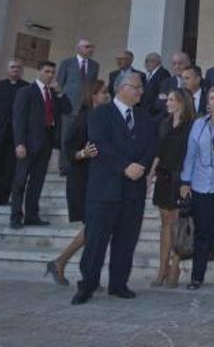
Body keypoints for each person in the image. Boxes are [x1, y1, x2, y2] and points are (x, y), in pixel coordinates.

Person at [72, 71, 157, 305]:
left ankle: (119, 284)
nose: (141, 91)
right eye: (136, 87)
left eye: (141, 87)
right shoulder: (100, 114)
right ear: (121, 88)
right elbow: (99, 144)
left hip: (133, 191)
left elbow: (151, 146)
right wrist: (125, 166)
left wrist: (141, 165)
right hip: (105, 190)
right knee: (96, 240)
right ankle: (87, 285)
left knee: (126, 240)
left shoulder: (145, 118)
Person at [46, 79, 110, 286]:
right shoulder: (83, 119)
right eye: (103, 92)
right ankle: (75, 269)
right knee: (93, 227)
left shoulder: (101, 118)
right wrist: (83, 153)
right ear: (93, 96)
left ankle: (62, 263)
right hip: (81, 181)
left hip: (95, 180)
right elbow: (68, 148)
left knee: (94, 228)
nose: (106, 95)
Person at [11, 60, 72, 229]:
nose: (50, 75)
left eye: (52, 73)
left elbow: (68, 109)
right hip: (28, 143)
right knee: (20, 180)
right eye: (47, 71)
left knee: (37, 181)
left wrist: (61, 94)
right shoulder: (26, 92)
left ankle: (32, 215)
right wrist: (19, 143)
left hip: (46, 142)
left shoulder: (53, 94)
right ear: (39, 71)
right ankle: (16, 216)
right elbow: (19, 119)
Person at [180, 86, 214, 289]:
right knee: (202, 232)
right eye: (212, 98)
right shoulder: (199, 124)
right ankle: (197, 276)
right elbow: (190, 155)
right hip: (201, 184)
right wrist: (185, 181)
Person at [147, 89, 194, 288]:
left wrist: (187, 182)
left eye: (172, 100)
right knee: (165, 224)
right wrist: (150, 175)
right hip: (164, 178)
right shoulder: (164, 123)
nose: (167, 103)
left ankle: (175, 263)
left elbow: (192, 154)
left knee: (177, 224)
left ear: (182, 102)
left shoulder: (191, 124)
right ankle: (162, 269)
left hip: (180, 178)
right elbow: (158, 150)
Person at [0, 60, 28, 206]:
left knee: (10, 167)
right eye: (12, 67)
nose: (15, 69)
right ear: (7, 69)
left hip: (16, 135)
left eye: (18, 67)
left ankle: (4, 197)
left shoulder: (27, 87)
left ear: (22, 71)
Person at [56, 39, 99, 174]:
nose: (90, 49)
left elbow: (93, 86)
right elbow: (60, 84)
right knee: (66, 137)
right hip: (69, 106)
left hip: (86, 107)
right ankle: (64, 166)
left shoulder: (94, 65)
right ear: (78, 48)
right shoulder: (67, 63)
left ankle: (78, 163)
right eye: (87, 47)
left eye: (91, 47)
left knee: (82, 136)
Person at [155, 52, 191, 117]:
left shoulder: (196, 81)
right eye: (174, 64)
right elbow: (159, 104)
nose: (177, 66)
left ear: (188, 64)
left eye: (180, 63)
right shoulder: (166, 83)